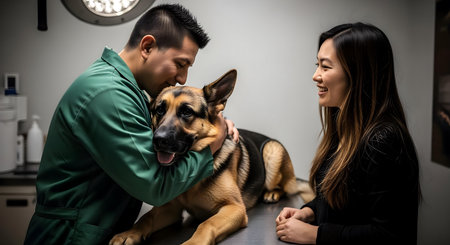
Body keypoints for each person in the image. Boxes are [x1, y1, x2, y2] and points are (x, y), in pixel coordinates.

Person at [24, 4, 238, 244]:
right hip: (68, 237)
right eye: (180, 64)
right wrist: (213, 145)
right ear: (147, 47)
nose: (182, 79)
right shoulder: (108, 94)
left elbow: (167, 123)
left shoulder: (129, 91)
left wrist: (215, 124)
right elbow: (155, 186)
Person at [275, 23, 420, 244]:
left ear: (358, 73)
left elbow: (391, 235)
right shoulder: (344, 128)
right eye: (317, 65)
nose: (316, 76)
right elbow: (345, 203)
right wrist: (309, 212)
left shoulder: (385, 141)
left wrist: (316, 235)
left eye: (325, 67)